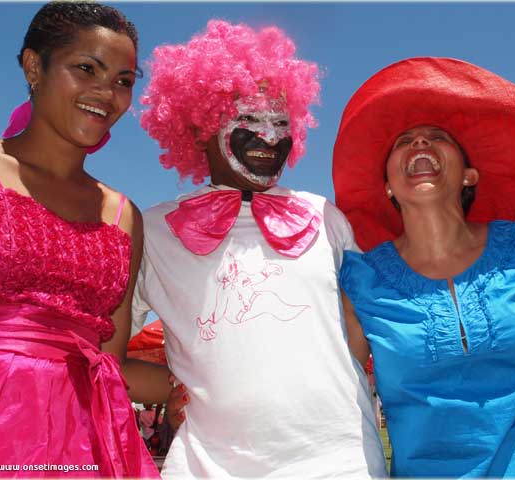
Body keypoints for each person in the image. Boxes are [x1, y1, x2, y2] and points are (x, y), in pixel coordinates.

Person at [133, 20, 388, 478]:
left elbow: (369, 325)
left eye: (279, 122)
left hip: (341, 460)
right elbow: (97, 348)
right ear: (197, 128)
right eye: (249, 120)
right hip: (205, 465)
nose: (270, 137)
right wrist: (166, 385)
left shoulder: (325, 216)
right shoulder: (152, 230)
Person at [333, 57, 515, 477]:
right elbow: (340, 396)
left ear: (469, 174)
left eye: (436, 137)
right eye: (404, 142)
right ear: (387, 186)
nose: (419, 144)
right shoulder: (360, 284)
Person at [0, 2, 183, 477]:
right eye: (86, 68)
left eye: (124, 81)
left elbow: (113, 363)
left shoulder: (124, 214)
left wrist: (206, 385)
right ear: (33, 66)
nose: (106, 93)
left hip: (90, 434)